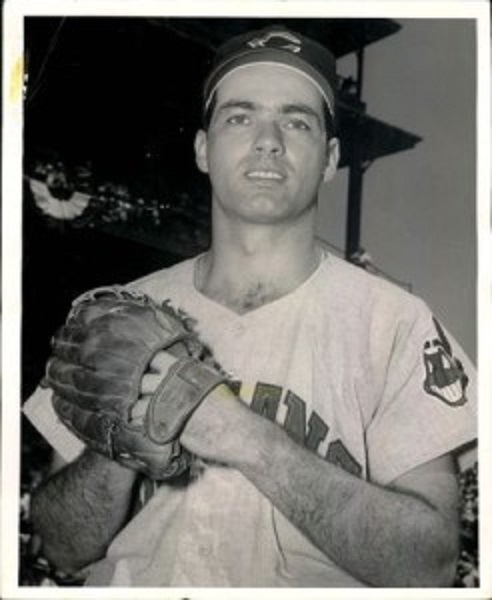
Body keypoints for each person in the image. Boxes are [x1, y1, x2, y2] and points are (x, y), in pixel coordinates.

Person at [25, 25, 477, 588]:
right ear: (202, 149)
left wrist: (249, 439)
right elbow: (60, 547)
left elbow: (428, 566)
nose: (268, 140)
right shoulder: (119, 314)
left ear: (331, 157)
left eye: (296, 121)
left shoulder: (395, 324)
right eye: (240, 117)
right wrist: (120, 448)